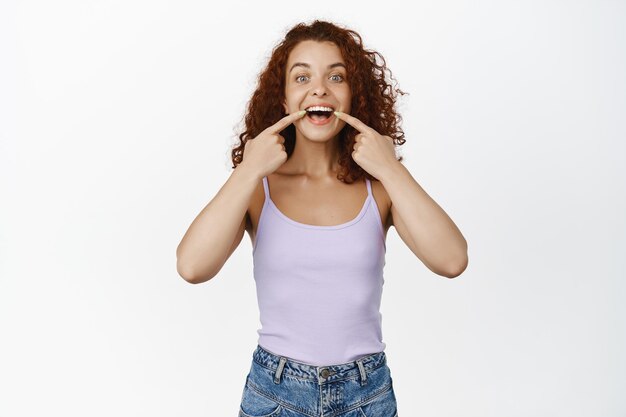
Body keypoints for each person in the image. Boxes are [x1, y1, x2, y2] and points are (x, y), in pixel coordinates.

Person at [176, 19, 468, 417]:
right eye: (302, 77)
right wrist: (247, 170)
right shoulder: (257, 189)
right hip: (275, 393)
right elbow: (192, 267)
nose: (319, 89)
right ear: (282, 99)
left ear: (353, 96)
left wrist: (392, 169)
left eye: (336, 76)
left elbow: (452, 260)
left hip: (367, 394)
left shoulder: (379, 187)